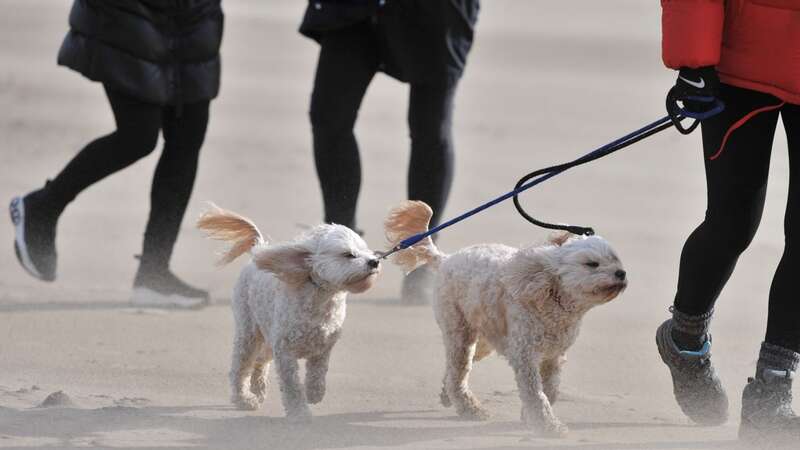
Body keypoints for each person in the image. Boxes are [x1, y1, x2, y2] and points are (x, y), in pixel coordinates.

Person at [9, 0, 224, 308]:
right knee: (138, 135)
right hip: (129, 12)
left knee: (187, 137)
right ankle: (42, 207)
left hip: (193, 17)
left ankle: (154, 272)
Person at [656, 0, 800, 442]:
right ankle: (685, 340)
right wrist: (692, 58)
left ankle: (771, 392)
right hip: (740, 67)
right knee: (733, 222)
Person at [299, 0, 480, 303]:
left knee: (430, 130)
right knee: (329, 117)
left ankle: (421, 256)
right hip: (356, 13)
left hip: (437, 13)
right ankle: (341, 246)